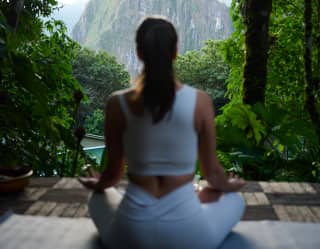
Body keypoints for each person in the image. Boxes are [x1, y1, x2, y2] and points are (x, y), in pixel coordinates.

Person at [79, 16, 246, 249]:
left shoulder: (117, 103)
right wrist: (230, 186)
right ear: (176, 51)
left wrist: (97, 183)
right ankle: (198, 198)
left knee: (98, 197)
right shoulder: (200, 101)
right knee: (235, 201)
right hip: (189, 236)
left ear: (138, 52)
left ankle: (198, 198)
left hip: (130, 235)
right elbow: (213, 174)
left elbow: (113, 176)